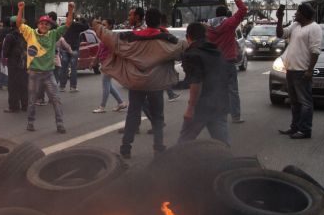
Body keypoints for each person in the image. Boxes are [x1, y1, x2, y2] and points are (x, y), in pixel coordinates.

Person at [94, 9, 185, 158]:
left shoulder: (131, 36)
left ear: (146, 20)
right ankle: (158, 147)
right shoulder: (167, 39)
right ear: (159, 22)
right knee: (158, 116)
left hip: (136, 84)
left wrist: (97, 25)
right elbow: (183, 47)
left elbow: (109, 37)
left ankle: (126, 148)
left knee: (133, 113)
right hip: (155, 84)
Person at [17, 1, 74, 134]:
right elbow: (19, 23)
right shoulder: (30, 33)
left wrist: (70, 10)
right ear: (38, 24)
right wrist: (20, 9)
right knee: (32, 100)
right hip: (34, 74)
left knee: (56, 99)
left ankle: (60, 124)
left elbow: (68, 24)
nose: (44, 25)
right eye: (42, 23)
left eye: (47, 24)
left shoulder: (53, 35)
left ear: (49, 26)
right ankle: (30, 122)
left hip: (49, 74)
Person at [177, 22, 230, 145]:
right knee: (222, 143)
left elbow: (196, 82)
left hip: (202, 107)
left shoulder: (191, 54)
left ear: (188, 37)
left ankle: (176, 163)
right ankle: (227, 162)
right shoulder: (216, 50)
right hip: (220, 103)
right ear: (205, 35)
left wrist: (191, 108)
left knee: (184, 142)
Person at [275, 2, 322, 139]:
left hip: (302, 71)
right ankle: (295, 127)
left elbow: (315, 51)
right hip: (291, 70)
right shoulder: (295, 25)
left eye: (298, 12)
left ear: (304, 14)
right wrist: (279, 19)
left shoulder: (314, 28)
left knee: (305, 102)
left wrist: (310, 70)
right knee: (294, 102)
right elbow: (280, 34)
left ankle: (305, 130)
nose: (295, 14)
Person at [206, 0, 248, 123]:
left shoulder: (207, 27)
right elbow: (243, 11)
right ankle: (236, 116)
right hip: (228, 62)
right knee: (232, 90)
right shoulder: (229, 23)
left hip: (213, 63)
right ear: (225, 15)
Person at [92, 19, 126, 113]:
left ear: (110, 26)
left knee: (105, 85)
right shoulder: (104, 36)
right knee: (108, 85)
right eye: (101, 25)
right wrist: (95, 60)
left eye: (104, 25)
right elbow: (100, 50)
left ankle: (102, 106)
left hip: (109, 64)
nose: (102, 27)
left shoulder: (110, 37)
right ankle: (121, 103)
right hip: (104, 63)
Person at [1, 15, 28, 114]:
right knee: (24, 84)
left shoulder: (10, 36)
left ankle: (13, 106)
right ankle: (25, 105)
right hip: (25, 63)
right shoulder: (27, 34)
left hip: (13, 64)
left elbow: (5, 53)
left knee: (13, 85)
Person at [61, 17, 86, 92]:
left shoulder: (63, 25)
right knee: (73, 68)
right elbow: (86, 26)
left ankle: (62, 86)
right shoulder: (76, 25)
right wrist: (82, 19)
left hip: (65, 49)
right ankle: (73, 87)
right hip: (74, 49)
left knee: (64, 68)